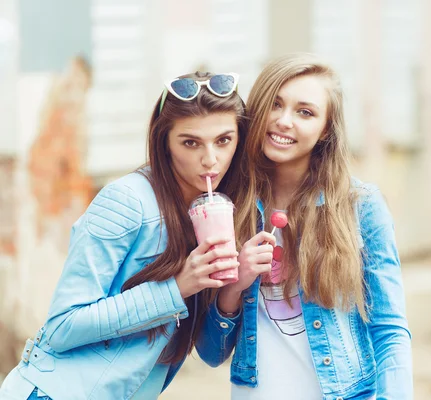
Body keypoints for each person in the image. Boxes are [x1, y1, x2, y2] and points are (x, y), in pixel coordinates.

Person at [0, 71, 268, 400]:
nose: (210, 159)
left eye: (223, 140)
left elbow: (213, 355)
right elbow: (61, 327)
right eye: (190, 142)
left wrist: (232, 290)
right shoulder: (127, 202)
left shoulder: (220, 213)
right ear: (164, 143)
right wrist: (177, 287)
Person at [203, 54, 413, 399]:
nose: (284, 121)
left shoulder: (359, 206)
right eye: (275, 104)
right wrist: (234, 285)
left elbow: (389, 330)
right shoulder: (226, 208)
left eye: (305, 112)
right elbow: (212, 353)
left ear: (326, 128)